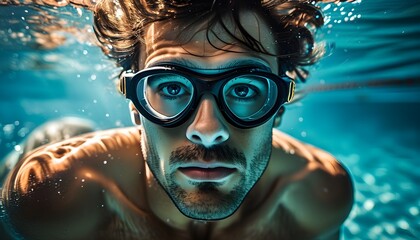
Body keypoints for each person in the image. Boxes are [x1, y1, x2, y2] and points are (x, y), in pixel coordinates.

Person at [0, 0, 354, 239]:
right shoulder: (54, 196)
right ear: (135, 106)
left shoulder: (318, 195)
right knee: (61, 137)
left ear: (278, 107)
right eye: (171, 87)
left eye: (244, 90)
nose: (207, 130)